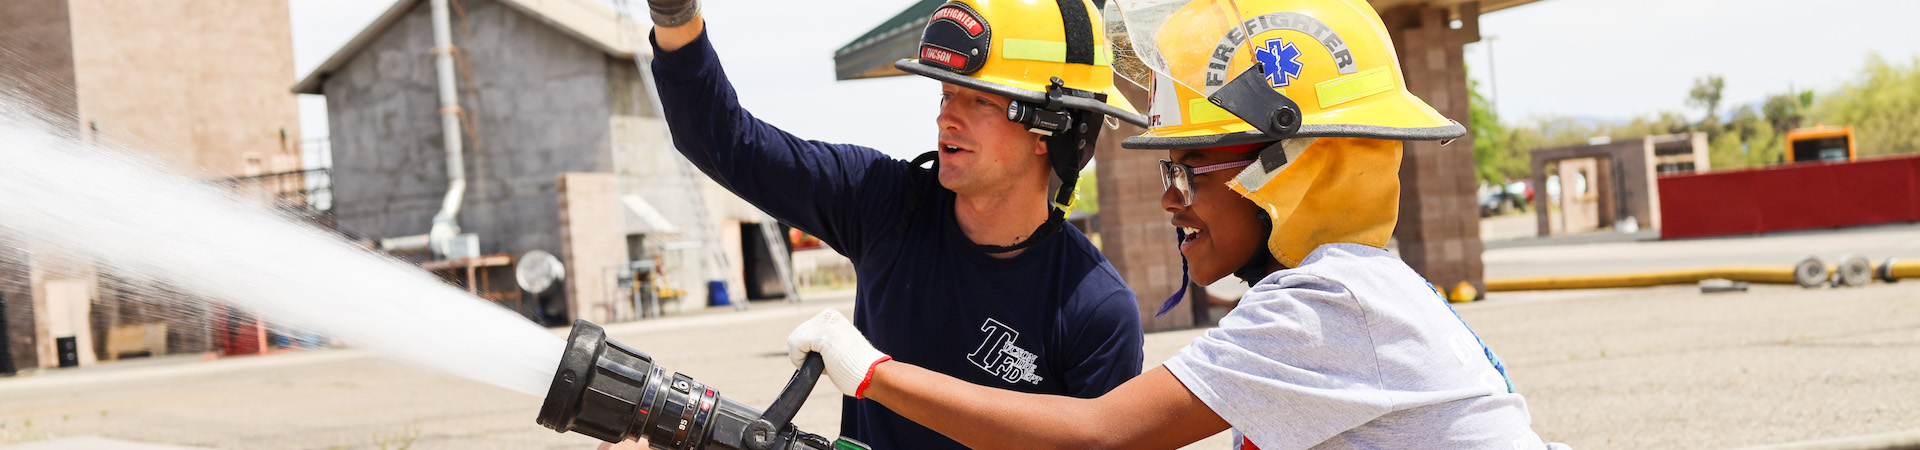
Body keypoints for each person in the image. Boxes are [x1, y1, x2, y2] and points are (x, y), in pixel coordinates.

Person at [786, 0, 1567, 448]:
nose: (1169, 199)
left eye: (1188, 167)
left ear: (1288, 166)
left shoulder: (1329, 303)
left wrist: (874, 375)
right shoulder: (1352, 291)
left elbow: (1098, 435)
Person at [639, 0, 1150, 448]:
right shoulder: (884, 203)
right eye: (946, 94)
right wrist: (674, 14)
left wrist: (876, 376)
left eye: (980, 100)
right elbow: (722, 140)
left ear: (1051, 131)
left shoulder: (1096, 312)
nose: (947, 117)